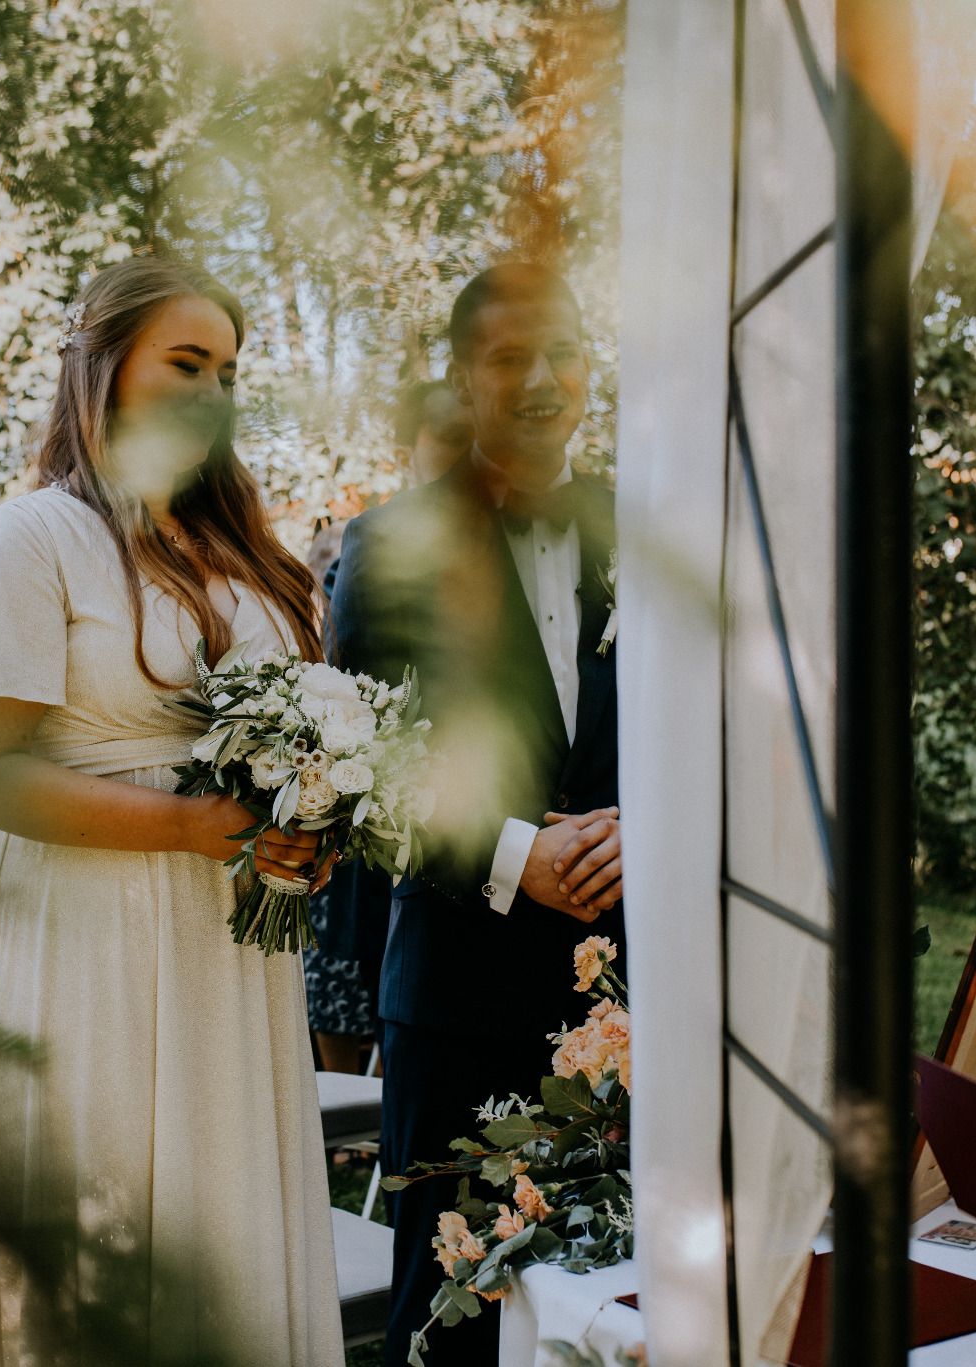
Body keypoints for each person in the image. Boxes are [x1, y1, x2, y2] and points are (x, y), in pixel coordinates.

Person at [0, 257, 344, 1363]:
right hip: (88, 940)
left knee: (229, 1215)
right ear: (102, 369)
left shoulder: (245, 555)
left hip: (232, 949)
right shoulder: (33, 540)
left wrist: (311, 821)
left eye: (228, 372)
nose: (210, 392)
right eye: (183, 363)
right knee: (114, 1217)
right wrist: (192, 827)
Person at [328, 263, 625, 1365]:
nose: (542, 379)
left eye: (563, 352)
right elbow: (364, 774)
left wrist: (640, 825)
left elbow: (705, 725)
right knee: (447, 1317)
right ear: (463, 377)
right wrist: (517, 852)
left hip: (628, 999)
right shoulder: (388, 546)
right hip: (459, 1000)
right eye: (508, 358)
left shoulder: (649, 532)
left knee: (608, 1299)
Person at [304, 379, 476, 1077]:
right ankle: (351, 1112)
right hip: (386, 812)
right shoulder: (369, 550)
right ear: (412, 451)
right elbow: (347, 692)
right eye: (451, 442)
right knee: (357, 981)